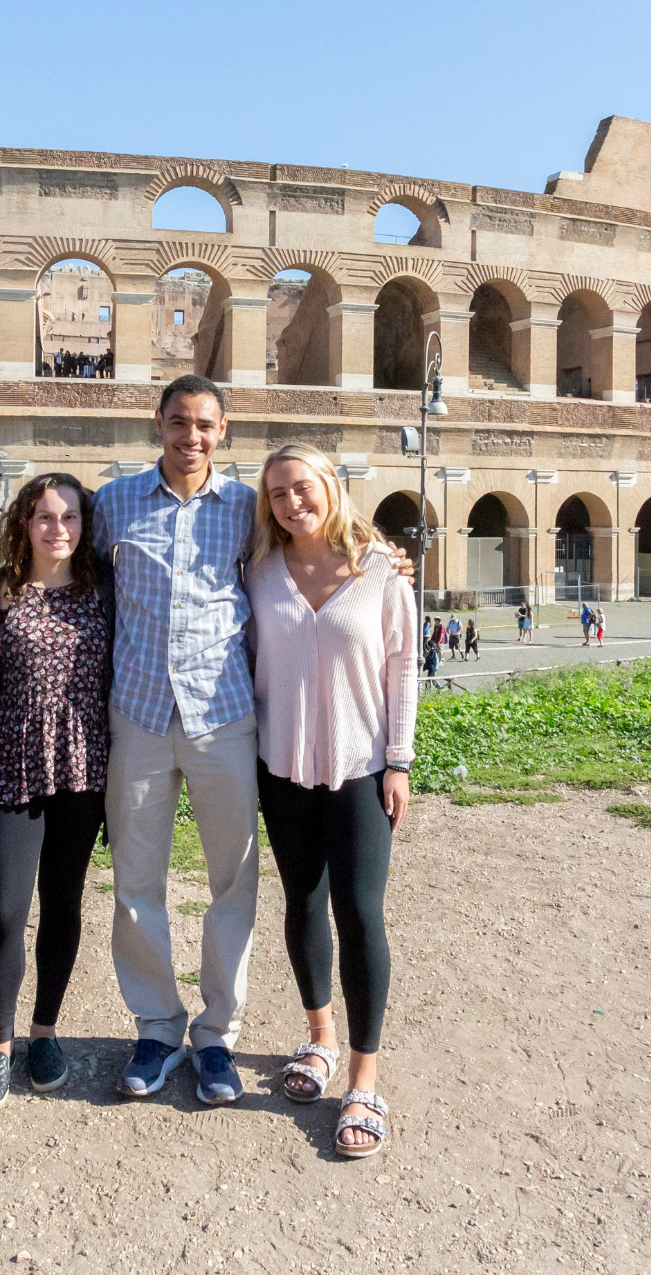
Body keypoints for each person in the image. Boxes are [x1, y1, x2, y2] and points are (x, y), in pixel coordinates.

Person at [89, 375, 271, 1108]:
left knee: (233, 879)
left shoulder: (249, 509)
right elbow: (70, 569)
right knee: (136, 884)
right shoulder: (114, 502)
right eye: (177, 422)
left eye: (203, 425)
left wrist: (383, 556)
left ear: (221, 431)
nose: (189, 437)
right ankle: (157, 1026)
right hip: (135, 713)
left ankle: (217, 1032)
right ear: (157, 424)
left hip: (223, 713)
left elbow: (313, 548)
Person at [248, 443, 414, 1159]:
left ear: (329, 489)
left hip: (358, 769)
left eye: (303, 488)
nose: (292, 502)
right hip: (280, 766)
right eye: (279, 493)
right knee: (300, 903)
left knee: (360, 913)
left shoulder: (380, 572)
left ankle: (363, 1075)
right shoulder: (255, 571)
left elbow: (403, 668)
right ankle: (318, 1038)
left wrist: (399, 762)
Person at [0, 474, 111, 1113]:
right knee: (4, 910)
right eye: (45, 517)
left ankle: (43, 1031)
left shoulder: (105, 587)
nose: (59, 529)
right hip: (10, 766)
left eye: (70, 517)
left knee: (62, 905)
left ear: (86, 524)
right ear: (24, 522)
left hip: (82, 768)